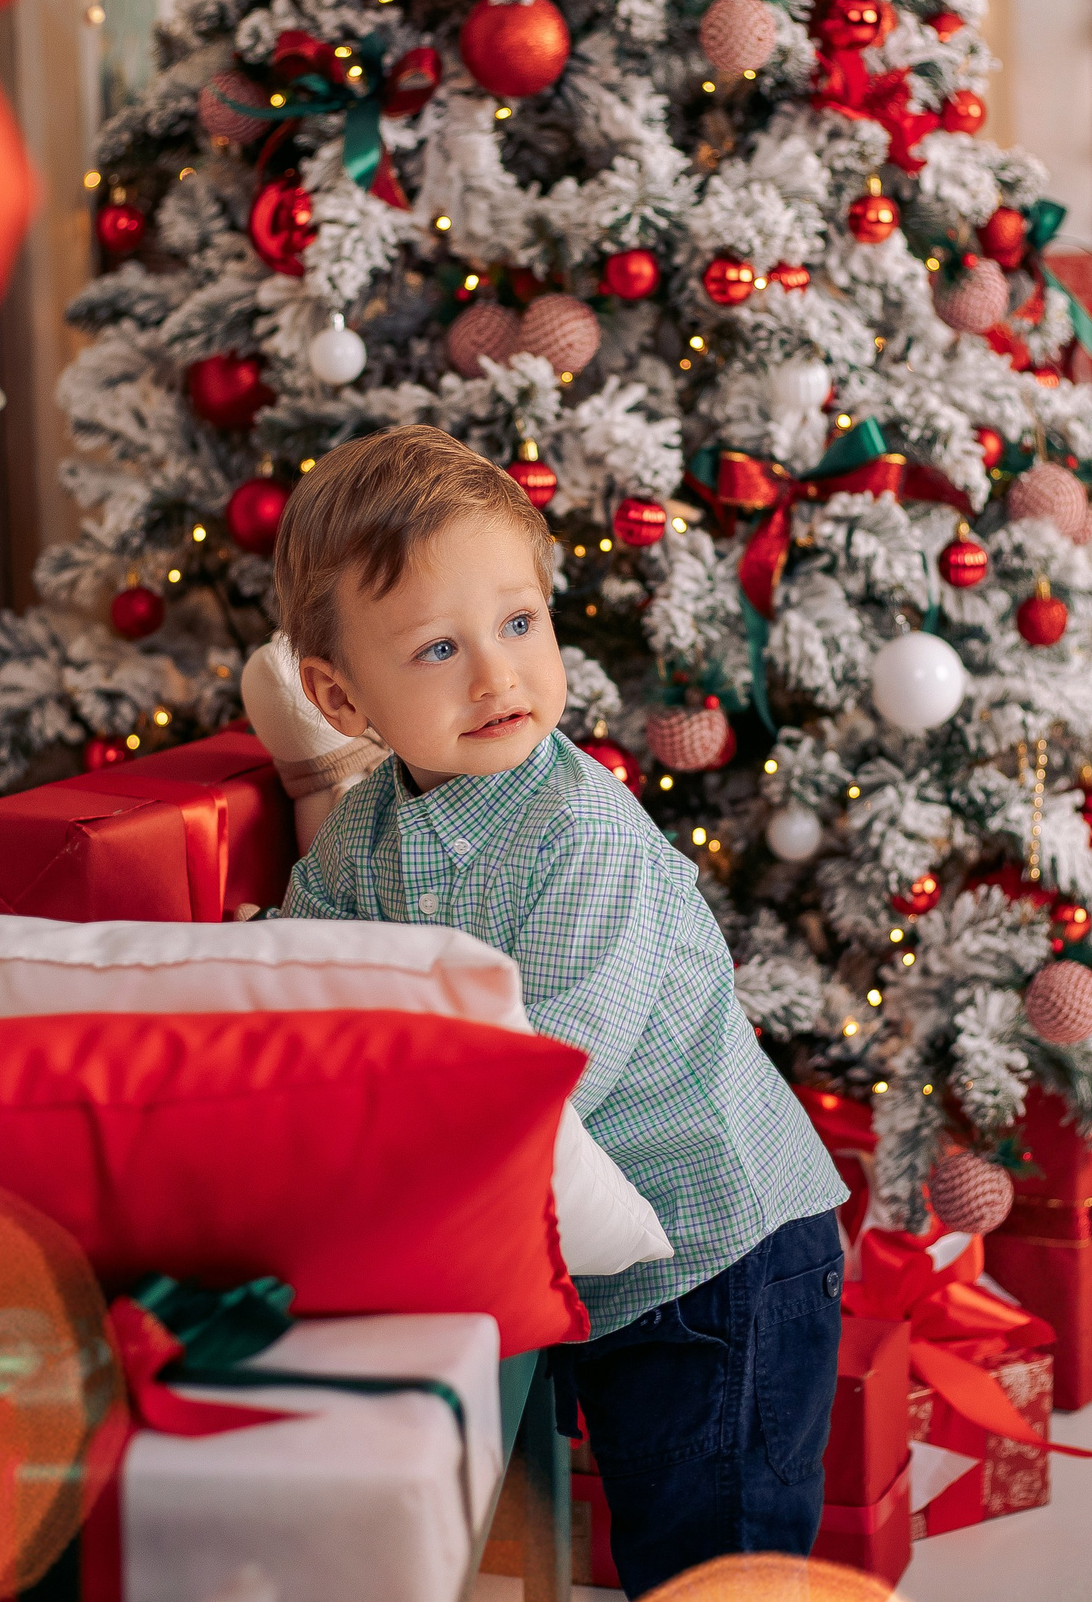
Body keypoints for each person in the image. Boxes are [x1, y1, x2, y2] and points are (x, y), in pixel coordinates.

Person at [268, 424, 849, 1595]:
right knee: (628, 1514)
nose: (496, 677)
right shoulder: (371, 830)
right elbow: (298, 975)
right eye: (437, 649)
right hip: (585, 1260)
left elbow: (546, 1072)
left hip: (718, 1259)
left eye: (519, 625)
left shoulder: (581, 836)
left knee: (707, 1550)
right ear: (340, 697)